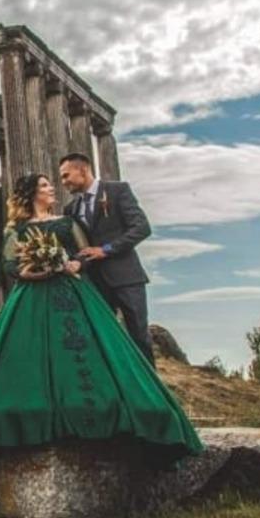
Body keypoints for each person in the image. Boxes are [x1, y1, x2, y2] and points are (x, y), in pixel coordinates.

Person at [0, 173, 202, 472]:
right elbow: (9, 264)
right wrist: (29, 272)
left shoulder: (67, 222)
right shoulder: (16, 229)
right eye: (45, 186)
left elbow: (84, 253)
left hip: (73, 292)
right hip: (31, 296)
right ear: (32, 193)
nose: (52, 190)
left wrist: (75, 263)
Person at [59, 153, 156, 367]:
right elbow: (80, 248)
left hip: (126, 277)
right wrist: (75, 262)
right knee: (105, 336)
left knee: (139, 335)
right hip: (95, 282)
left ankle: (151, 388)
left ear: (82, 170)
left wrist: (107, 249)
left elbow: (141, 228)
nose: (64, 183)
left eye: (66, 176)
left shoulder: (117, 190)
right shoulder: (70, 210)